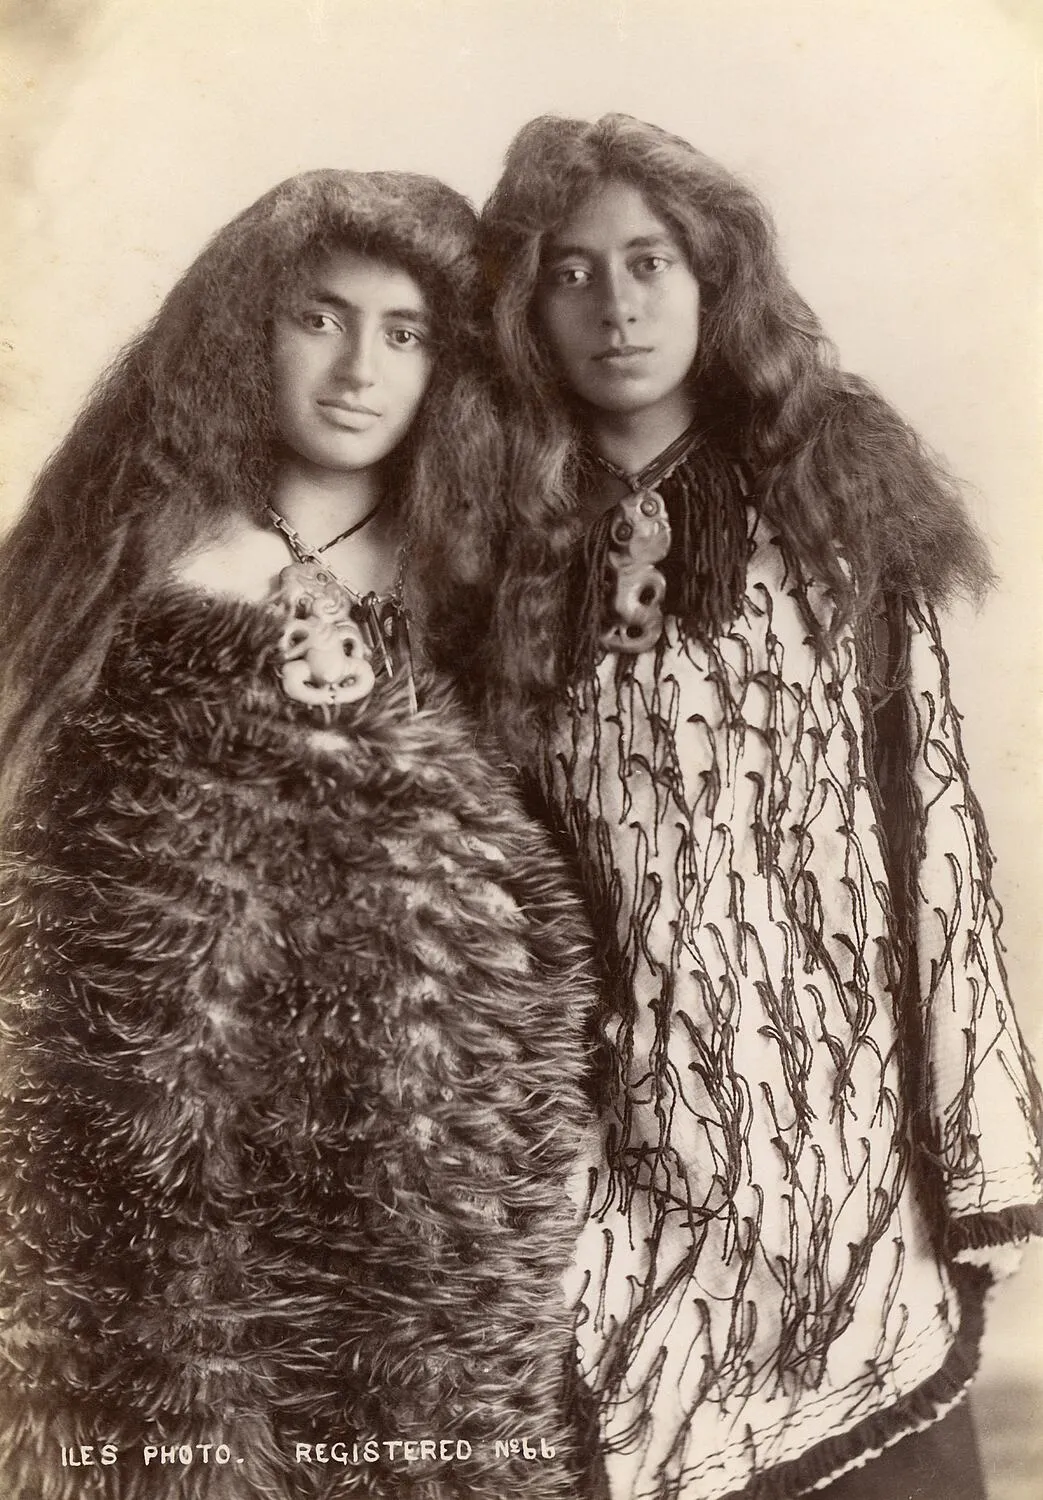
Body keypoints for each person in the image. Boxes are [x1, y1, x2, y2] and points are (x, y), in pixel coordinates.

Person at [0, 168, 598, 1500]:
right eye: (318, 318)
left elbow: (544, 837)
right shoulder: (126, 550)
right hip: (155, 1137)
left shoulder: (484, 567)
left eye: (404, 333)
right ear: (245, 329)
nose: (355, 368)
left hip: (425, 1140)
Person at [478, 112, 1043, 1500]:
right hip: (613, 1174)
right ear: (524, 306)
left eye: (650, 262)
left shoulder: (835, 505)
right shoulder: (478, 544)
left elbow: (934, 842)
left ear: (710, 277)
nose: (616, 305)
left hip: (844, 1161)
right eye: (572, 271)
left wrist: (982, 1158)